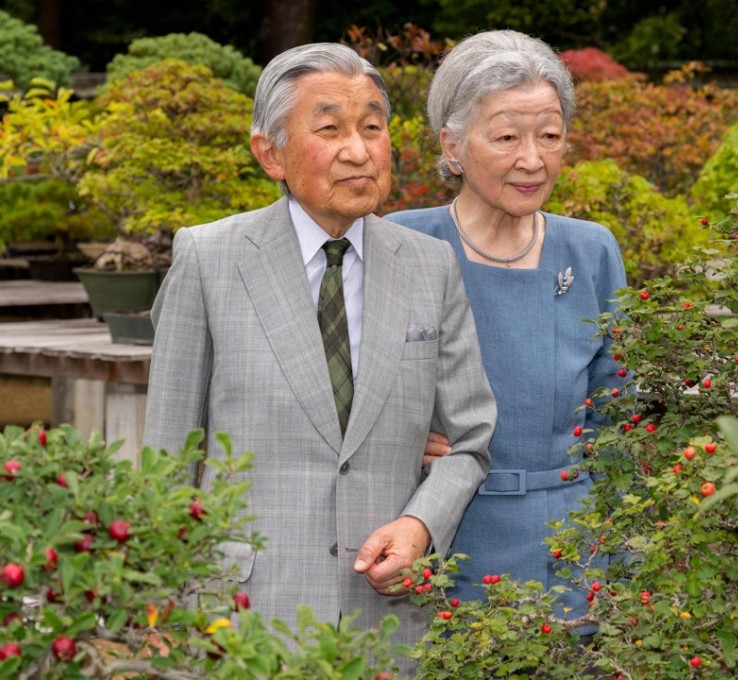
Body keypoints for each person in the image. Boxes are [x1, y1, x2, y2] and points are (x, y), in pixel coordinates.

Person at [142, 42, 496, 666]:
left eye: (372, 128)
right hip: (242, 617)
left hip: (388, 621)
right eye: (329, 129)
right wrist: (156, 608)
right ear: (270, 153)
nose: (358, 151)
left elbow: (469, 441)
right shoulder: (210, 260)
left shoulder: (427, 265)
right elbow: (169, 457)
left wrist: (418, 527)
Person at [385, 30, 628, 620]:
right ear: (453, 145)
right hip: (438, 537)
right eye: (506, 137)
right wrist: (391, 433)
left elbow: (621, 412)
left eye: (549, 136)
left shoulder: (590, 250)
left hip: (573, 548)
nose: (532, 159)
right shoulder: (403, 244)